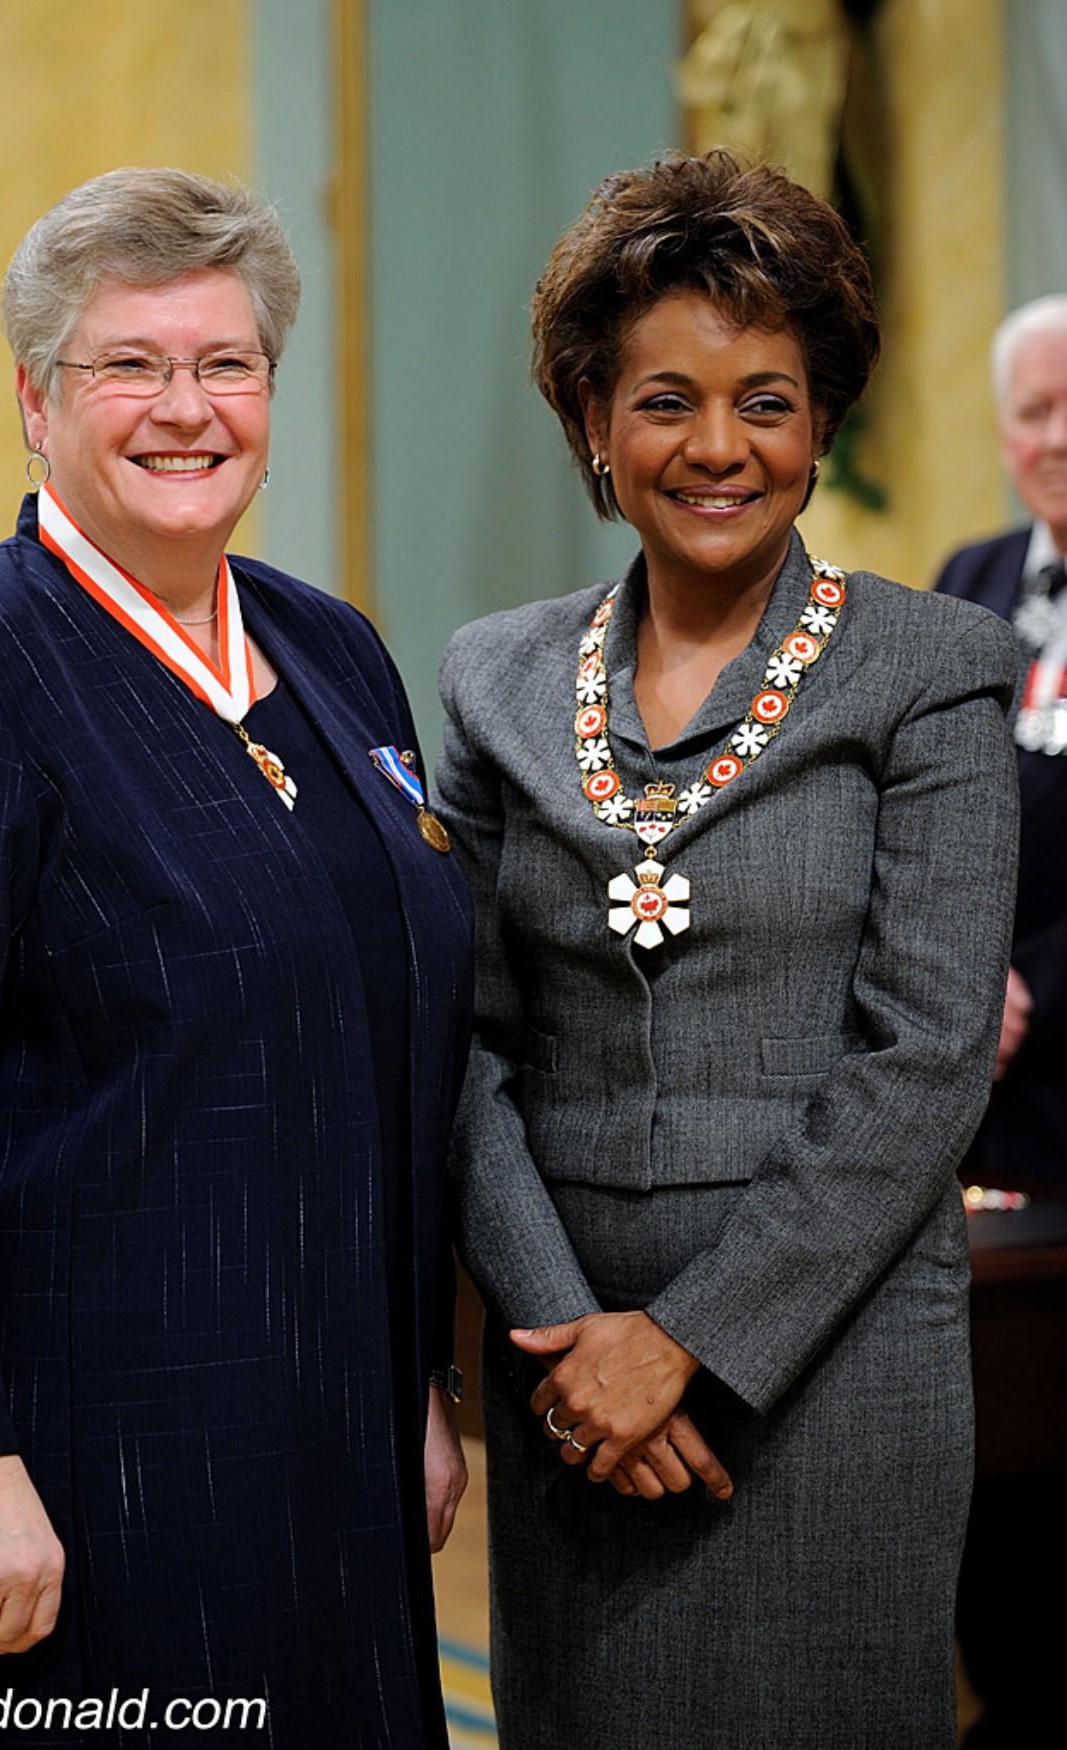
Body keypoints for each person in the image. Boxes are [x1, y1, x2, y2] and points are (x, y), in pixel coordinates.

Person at [0, 167, 472, 1749]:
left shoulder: (331, 645)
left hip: (319, 1439)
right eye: (132, 366)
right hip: (67, 1470)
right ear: (36, 402)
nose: (189, 407)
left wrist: (415, 1380)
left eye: (227, 363)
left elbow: (387, 1042)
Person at [436, 150, 1019, 1749]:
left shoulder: (935, 668)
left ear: (822, 420)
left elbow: (923, 1058)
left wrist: (692, 1344)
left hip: (827, 1367)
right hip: (570, 1381)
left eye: (766, 400)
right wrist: (568, 1342)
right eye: (666, 400)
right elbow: (462, 1044)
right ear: (591, 421)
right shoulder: (492, 677)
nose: (716, 448)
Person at [933, 293, 1067, 1749]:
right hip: (977, 1106)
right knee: (991, 1459)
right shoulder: (969, 581)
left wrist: (1032, 983)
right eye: (1034, 409)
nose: (1058, 435)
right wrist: (959, 965)